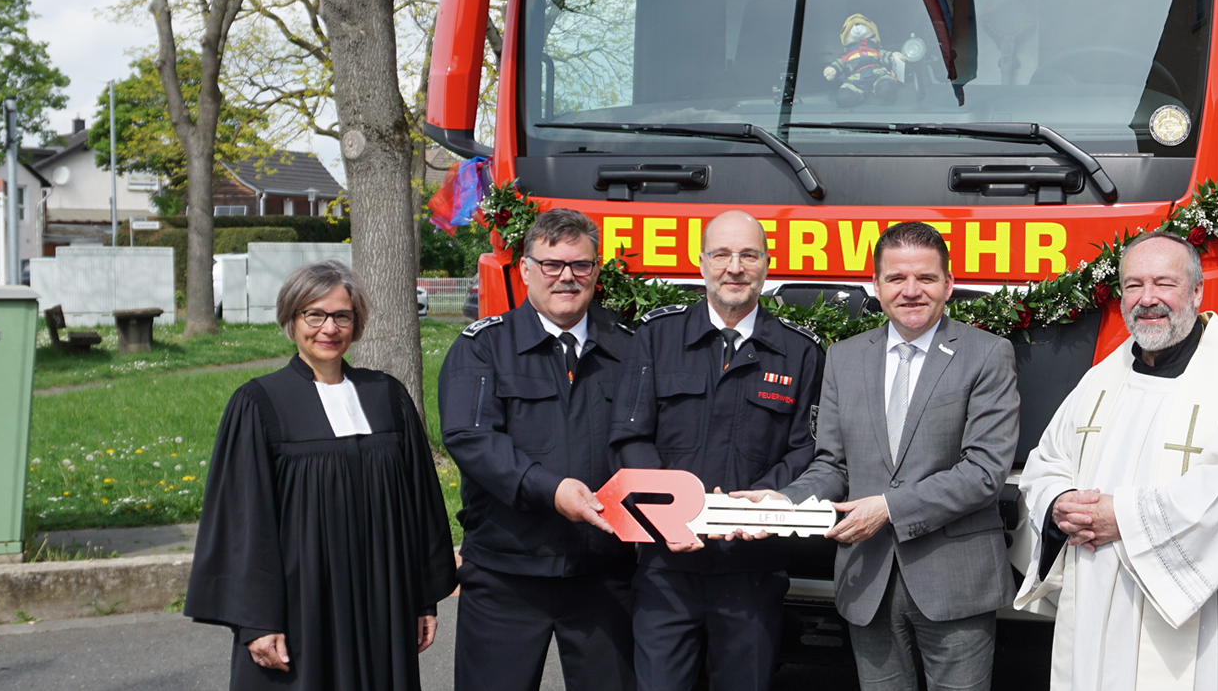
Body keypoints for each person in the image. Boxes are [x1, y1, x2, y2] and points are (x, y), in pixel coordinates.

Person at [1014, 231, 1218, 691]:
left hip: (1204, 618)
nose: (1147, 299)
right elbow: (1047, 460)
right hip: (1101, 608)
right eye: (1133, 285)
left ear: (1196, 291)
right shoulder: (1102, 379)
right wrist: (1060, 502)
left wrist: (1121, 519)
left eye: (1164, 284)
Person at [744, 220, 1020, 691]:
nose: (911, 291)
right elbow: (832, 464)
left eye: (926, 278)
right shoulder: (845, 357)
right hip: (866, 577)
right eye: (896, 278)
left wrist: (889, 508)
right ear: (876, 285)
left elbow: (984, 472)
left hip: (954, 579)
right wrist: (787, 502)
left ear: (949, 284)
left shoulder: (988, 354)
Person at [186, 260, 456, 690]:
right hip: (300, 608)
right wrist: (257, 621)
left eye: (342, 316)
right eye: (314, 314)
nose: (329, 328)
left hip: (382, 604)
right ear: (292, 320)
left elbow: (418, 506)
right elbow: (243, 522)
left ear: (357, 322)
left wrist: (422, 598)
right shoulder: (260, 404)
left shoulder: (386, 396)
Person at [609, 210, 826, 691]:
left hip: (751, 568)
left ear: (767, 264)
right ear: (701, 261)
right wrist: (667, 513)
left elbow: (806, 450)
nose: (735, 267)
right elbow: (629, 436)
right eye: (723, 254)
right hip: (666, 565)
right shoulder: (656, 338)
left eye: (749, 254)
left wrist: (756, 505)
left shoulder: (800, 352)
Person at [439, 208, 638, 691]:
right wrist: (550, 490)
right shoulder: (484, 347)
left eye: (580, 265)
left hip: (604, 575)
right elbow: (471, 438)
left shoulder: (630, 347)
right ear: (526, 269)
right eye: (552, 264)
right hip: (509, 573)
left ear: (596, 271)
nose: (566, 277)